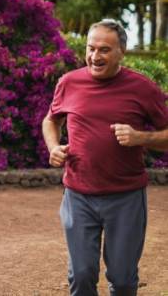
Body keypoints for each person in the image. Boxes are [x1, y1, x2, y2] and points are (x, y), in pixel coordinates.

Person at [42, 19, 168, 296]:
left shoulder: (142, 88)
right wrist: (53, 146)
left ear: (122, 52)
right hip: (78, 195)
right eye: (91, 48)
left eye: (104, 50)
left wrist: (141, 137)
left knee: (122, 280)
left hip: (126, 197)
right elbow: (51, 121)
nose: (95, 56)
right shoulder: (69, 82)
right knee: (82, 276)